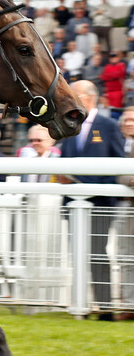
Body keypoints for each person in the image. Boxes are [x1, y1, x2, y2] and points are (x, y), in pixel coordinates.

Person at [59, 80, 126, 311]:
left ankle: (105, 307)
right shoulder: (69, 125)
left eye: (73, 95)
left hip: (100, 204)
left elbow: (118, 165)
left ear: (88, 98)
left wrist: (84, 184)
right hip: (72, 203)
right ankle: (81, 306)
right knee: (77, 254)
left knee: (97, 254)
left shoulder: (108, 125)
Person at [114, 107, 134, 318]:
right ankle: (129, 304)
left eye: (132, 120)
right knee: (126, 256)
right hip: (127, 208)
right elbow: (117, 174)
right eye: (125, 120)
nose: (128, 123)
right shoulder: (119, 143)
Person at [100, 51, 127, 116]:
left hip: (118, 90)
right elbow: (103, 76)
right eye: (111, 57)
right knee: (109, 110)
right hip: (108, 91)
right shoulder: (107, 66)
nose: (113, 58)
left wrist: (109, 76)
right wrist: (112, 76)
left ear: (118, 57)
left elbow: (119, 74)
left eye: (115, 57)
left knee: (117, 110)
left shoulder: (121, 65)